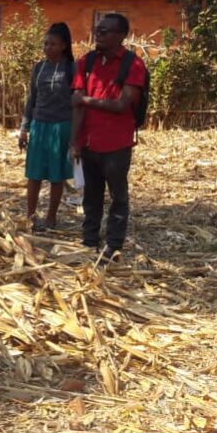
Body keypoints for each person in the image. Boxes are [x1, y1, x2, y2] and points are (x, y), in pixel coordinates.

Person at [70, 13, 147, 260]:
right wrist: (74, 141)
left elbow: (122, 105)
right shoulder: (86, 62)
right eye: (97, 30)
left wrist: (86, 99)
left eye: (104, 31)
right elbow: (77, 104)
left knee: (117, 196)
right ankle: (89, 240)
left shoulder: (133, 65)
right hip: (89, 141)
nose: (98, 35)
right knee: (91, 195)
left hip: (117, 143)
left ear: (121, 36)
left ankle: (113, 245)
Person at [19, 22, 76, 231]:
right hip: (39, 126)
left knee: (56, 175)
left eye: (52, 44)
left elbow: (77, 103)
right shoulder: (39, 68)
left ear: (64, 46)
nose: (47, 48)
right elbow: (31, 100)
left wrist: (75, 137)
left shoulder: (72, 69)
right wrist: (24, 129)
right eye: (45, 44)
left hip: (61, 128)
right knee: (33, 174)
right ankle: (30, 215)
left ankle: (51, 216)